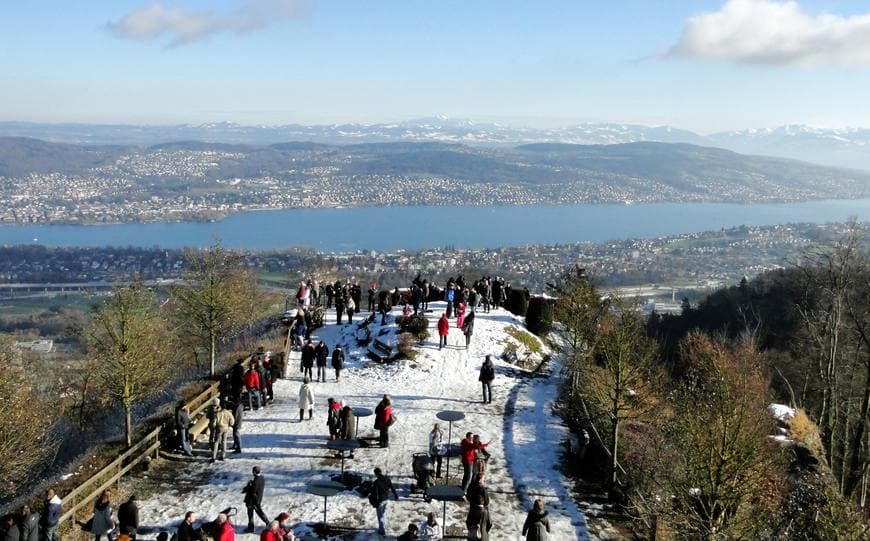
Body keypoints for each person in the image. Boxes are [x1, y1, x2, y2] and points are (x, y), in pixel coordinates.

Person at [369, 468, 398, 536]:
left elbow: (375, 493)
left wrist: (376, 502)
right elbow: (392, 487)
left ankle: (382, 531)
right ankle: (382, 527)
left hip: (380, 501)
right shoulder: (387, 479)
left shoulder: (376, 482)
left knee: (380, 516)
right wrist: (395, 495)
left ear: (376, 474)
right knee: (382, 514)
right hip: (386, 499)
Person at [244, 467, 269, 532]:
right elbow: (257, 486)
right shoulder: (262, 478)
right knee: (259, 512)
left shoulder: (256, 481)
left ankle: (251, 527)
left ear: (254, 472)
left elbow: (253, 491)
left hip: (252, 501)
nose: (252, 473)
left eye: (253, 472)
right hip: (258, 499)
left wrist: (248, 486)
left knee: (252, 514)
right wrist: (252, 482)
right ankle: (267, 522)